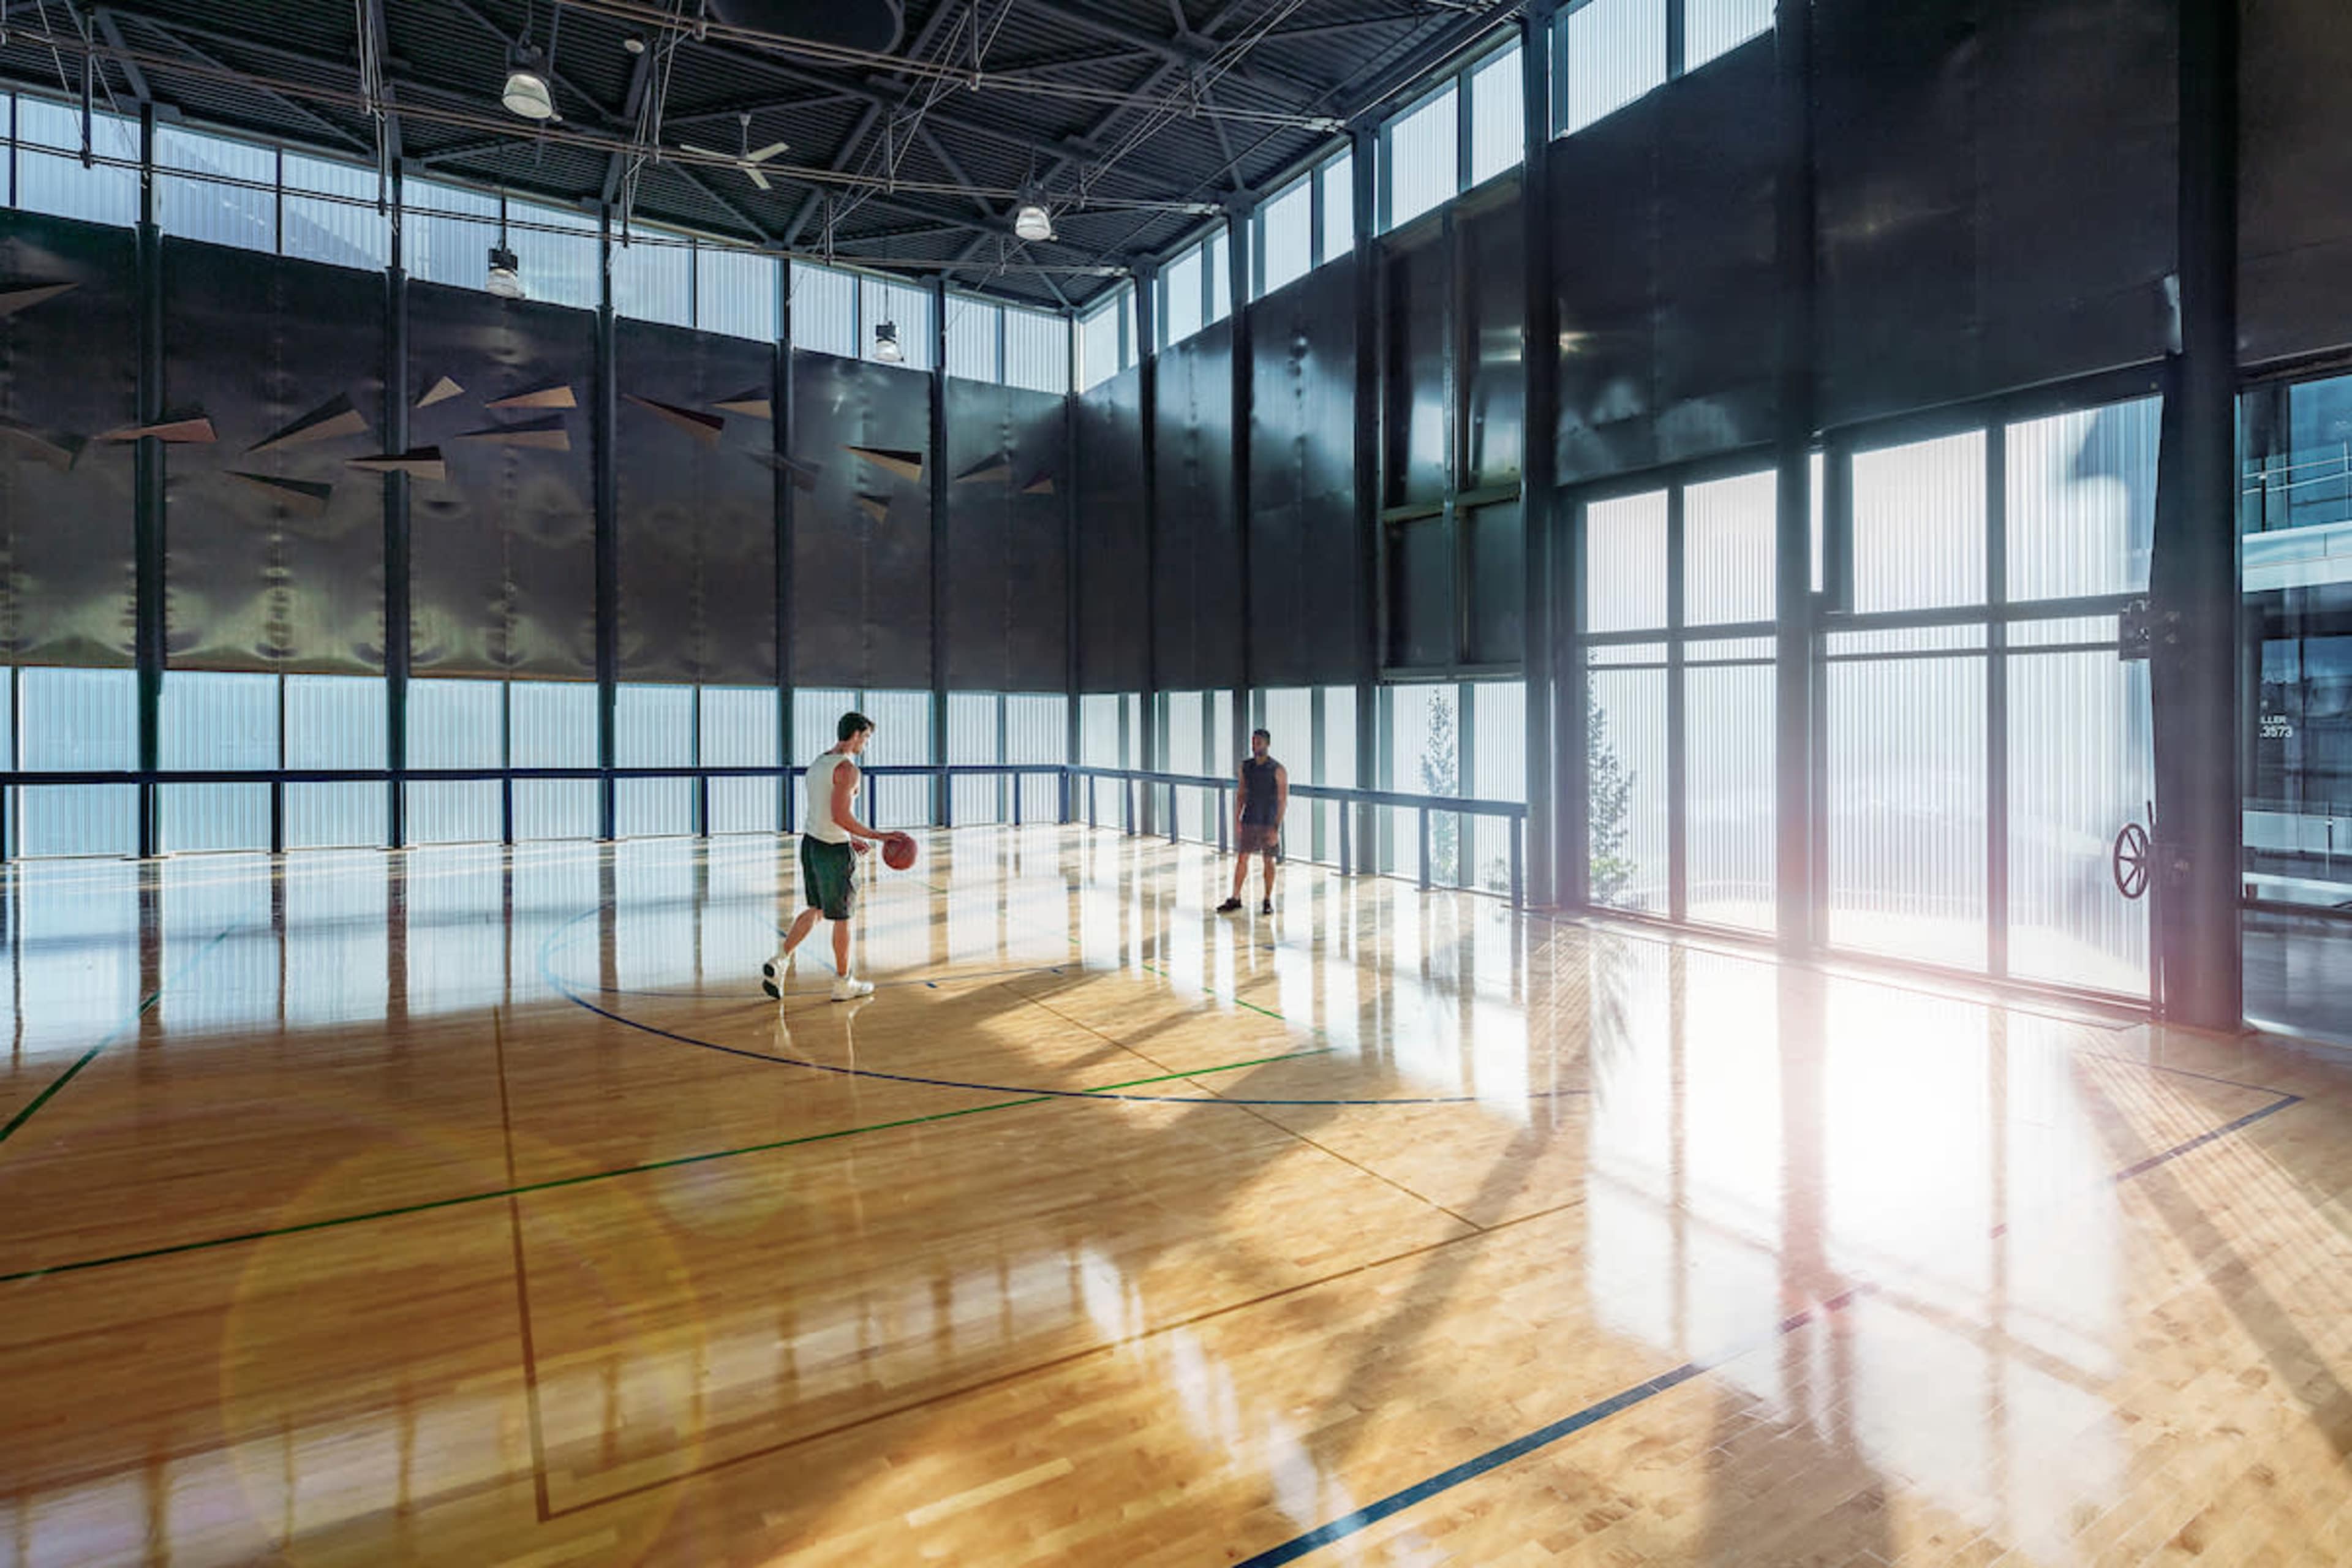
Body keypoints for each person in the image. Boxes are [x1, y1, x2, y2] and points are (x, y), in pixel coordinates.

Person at [764, 711, 889, 1001]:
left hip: (811, 844)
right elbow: (840, 815)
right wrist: (879, 836)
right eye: (866, 738)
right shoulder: (848, 769)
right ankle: (844, 982)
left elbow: (824, 811)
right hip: (833, 851)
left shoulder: (818, 763)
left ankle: (780, 960)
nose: (866, 744)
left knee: (817, 910)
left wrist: (852, 837)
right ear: (855, 735)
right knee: (843, 918)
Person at [1217, 728, 1287, 917]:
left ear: (1267, 744)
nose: (1255, 746)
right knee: (1242, 858)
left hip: (1268, 821)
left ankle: (1267, 900)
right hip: (1250, 818)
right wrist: (1237, 819)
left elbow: (1282, 800)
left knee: (1268, 860)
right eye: (1254, 742)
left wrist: (1276, 827)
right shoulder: (1245, 767)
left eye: (1259, 742)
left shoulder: (1278, 770)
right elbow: (1241, 793)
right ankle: (1236, 897)